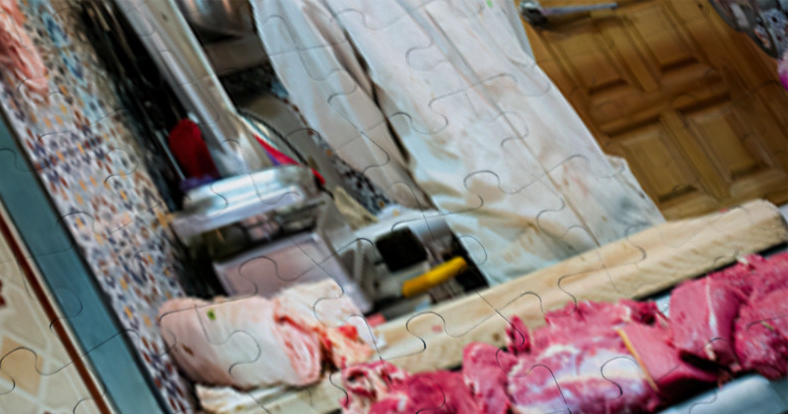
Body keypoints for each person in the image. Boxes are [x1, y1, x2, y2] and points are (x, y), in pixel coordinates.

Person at [250, 0, 665, 284]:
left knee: (678, 310)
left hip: (588, 172)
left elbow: (515, 49)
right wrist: (436, 180)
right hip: (497, 218)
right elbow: (343, 116)